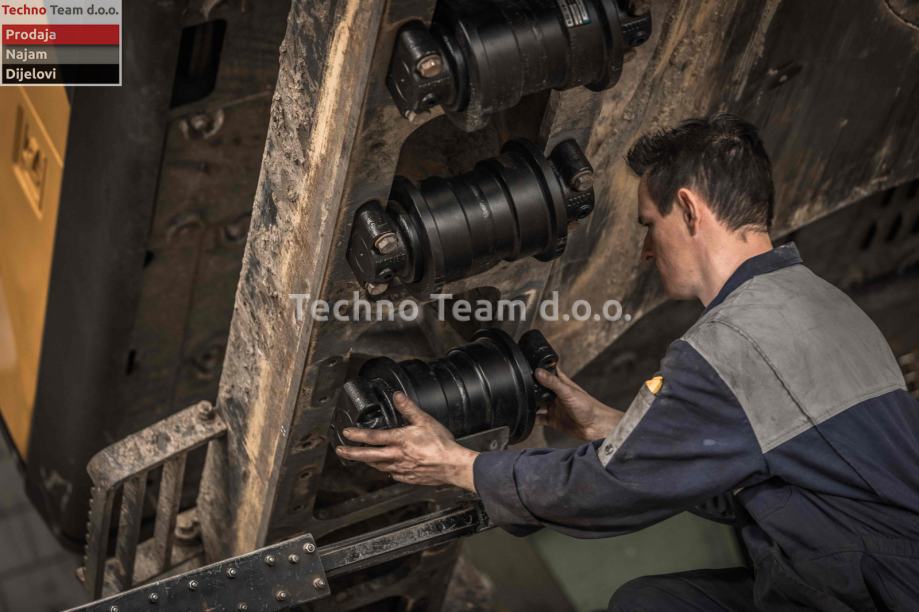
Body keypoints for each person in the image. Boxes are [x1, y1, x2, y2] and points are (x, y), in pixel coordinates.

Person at [335, 114, 919, 610]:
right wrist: (609, 426)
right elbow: (758, 470)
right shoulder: (819, 304)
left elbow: (608, 491)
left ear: (688, 210)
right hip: (855, 567)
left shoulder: (731, 343)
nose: (644, 250)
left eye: (649, 225)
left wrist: (460, 466)